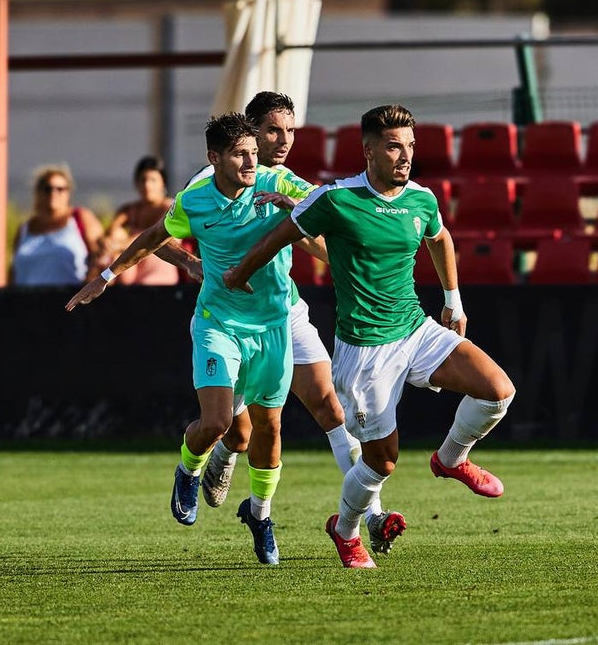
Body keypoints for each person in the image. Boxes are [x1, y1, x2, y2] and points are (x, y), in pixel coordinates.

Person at [223, 103, 516, 570]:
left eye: (411, 147)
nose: (405, 156)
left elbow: (440, 240)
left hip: (416, 329)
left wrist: (453, 301)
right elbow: (276, 238)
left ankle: (450, 459)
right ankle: (345, 530)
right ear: (368, 151)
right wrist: (239, 274)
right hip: (364, 350)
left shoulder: (421, 199)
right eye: (394, 146)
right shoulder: (336, 200)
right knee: (381, 462)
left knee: (498, 392)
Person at [66, 112, 313, 565]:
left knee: (268, 428)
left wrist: (298, 209)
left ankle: (260, 515)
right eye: (241, 154)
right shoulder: (195, 199)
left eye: (254, 153)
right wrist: (106, 276)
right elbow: (155, 236)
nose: (251, 162)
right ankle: (189, 468)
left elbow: (327, 214)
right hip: (218, 323)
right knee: (218, 423)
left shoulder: (279, 184)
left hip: (273, 325)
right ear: (213, 158)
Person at [193, 91, 406, 557]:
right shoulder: (208, 182)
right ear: (247, 130)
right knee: (240, 431)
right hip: (230, 319)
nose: (284, 140)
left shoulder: (287, 182)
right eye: (273, 130)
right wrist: (193, 267)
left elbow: (320, 230)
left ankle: (369, 513)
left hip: (285, 311)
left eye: (291, 130)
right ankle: (225, 455)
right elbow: (161, 236)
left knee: (331, 408)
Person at [12, 164, 104, 286]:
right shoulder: (24, 229)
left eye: (60, 189)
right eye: (47, 189)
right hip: (26, 300)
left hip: (69, 300)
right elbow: (13, 271)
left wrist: (89, 286)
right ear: (38, 192)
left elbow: (102, 256)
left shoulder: (80, 218)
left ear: (68, 193)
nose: (53, 193)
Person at [99, 156, 179, 285]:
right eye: (143, 180)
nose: (147, 185)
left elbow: (152, 236)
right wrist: (108, 244)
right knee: (117, 234)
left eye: (153, 180)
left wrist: (119, 246)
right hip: (132, 278)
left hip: (159, 278)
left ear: (163, 183)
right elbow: (108, 234)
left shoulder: (170, 207)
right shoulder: (130, 210)